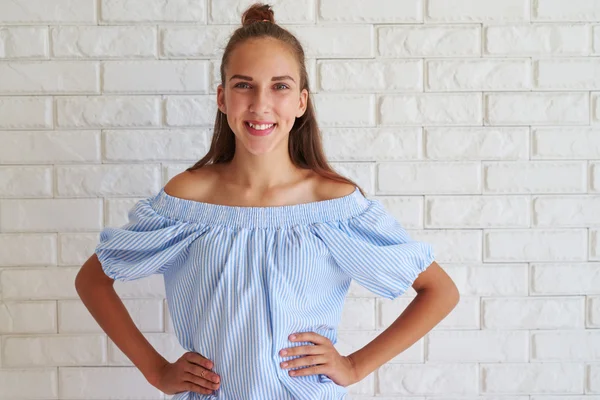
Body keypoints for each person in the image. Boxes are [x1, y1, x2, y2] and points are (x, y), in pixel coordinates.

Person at [74, 3, 459, 399]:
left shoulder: (336, 206)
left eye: (280, 86)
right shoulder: (185, 201)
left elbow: (439, 291)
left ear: (301, 102)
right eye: (244, 85)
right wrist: (156, 371)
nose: (260, 104)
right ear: (222, 98)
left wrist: (356, 365)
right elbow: (93, 279)